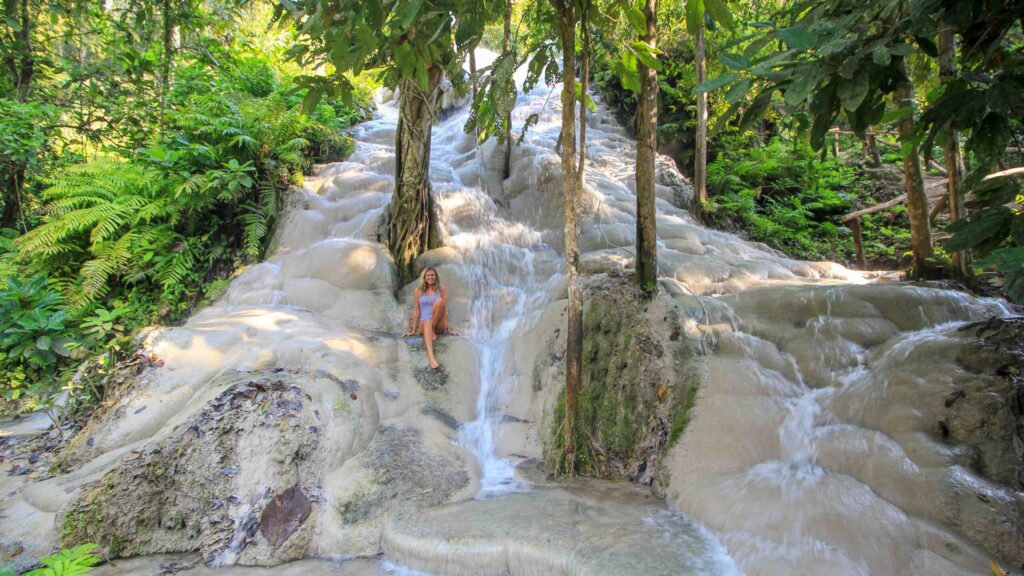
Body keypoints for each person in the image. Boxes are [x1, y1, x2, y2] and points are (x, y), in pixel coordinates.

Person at [402, 267, 459, 369]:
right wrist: (413, 330)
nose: (430, 277)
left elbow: (444, 310)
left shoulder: (441, 289)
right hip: (424, 324)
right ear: (424, 277)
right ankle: (431, 357)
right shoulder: (418, 291)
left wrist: (449, 330)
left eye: (432, 275)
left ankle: (432, 329)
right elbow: (416, 311)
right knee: (427, 320)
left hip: (439, 323)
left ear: (436, 276)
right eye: (428, 275)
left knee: (439, 302)